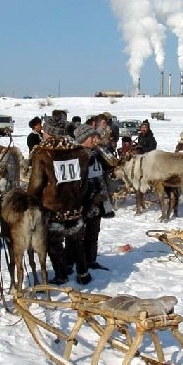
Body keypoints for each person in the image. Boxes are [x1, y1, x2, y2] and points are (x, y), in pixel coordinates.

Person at [28, 110, 92, 286]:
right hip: (75, 206)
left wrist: (30, 200)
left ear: (50, 131)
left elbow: (35, 184)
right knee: (77, 242)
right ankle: (83, 273)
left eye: (45, 130)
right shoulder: (80, 152)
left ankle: (61, 274)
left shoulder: (43, 153)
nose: (43, 132)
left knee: (54, 245)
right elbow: (84, 182)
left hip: (52, 208)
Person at [75, 123, 115, 271]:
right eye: (91, 137)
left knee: (94, 233)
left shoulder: (97, 152)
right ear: (83, 138)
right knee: (80, 235)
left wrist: (103, 151)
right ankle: (79, 262)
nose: (94, 139)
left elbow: (111, 164)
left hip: (99, 200)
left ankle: (91, 260)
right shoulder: (77, 154)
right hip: (85, 203)